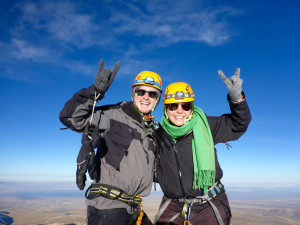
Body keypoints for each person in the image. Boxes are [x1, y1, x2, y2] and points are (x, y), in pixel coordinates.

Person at [59, 59, 163, 225]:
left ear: (157, 99)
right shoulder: (114, 114)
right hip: (108, 210)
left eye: (152, 94)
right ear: (133, 93)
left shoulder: (151, 132)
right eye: (141, 91)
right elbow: (71, 118)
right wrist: (95, 92)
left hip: (133, 207)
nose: (146, 97)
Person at [153, 68, 251, 225]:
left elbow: (238, 124)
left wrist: (237, 99)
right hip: (173, 206)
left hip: (209, 204)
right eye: (173, 106)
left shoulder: (206, 126)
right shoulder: (158, 135)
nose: (179, 111)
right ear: (166, 109)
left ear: (191, 107)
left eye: (185, 106)